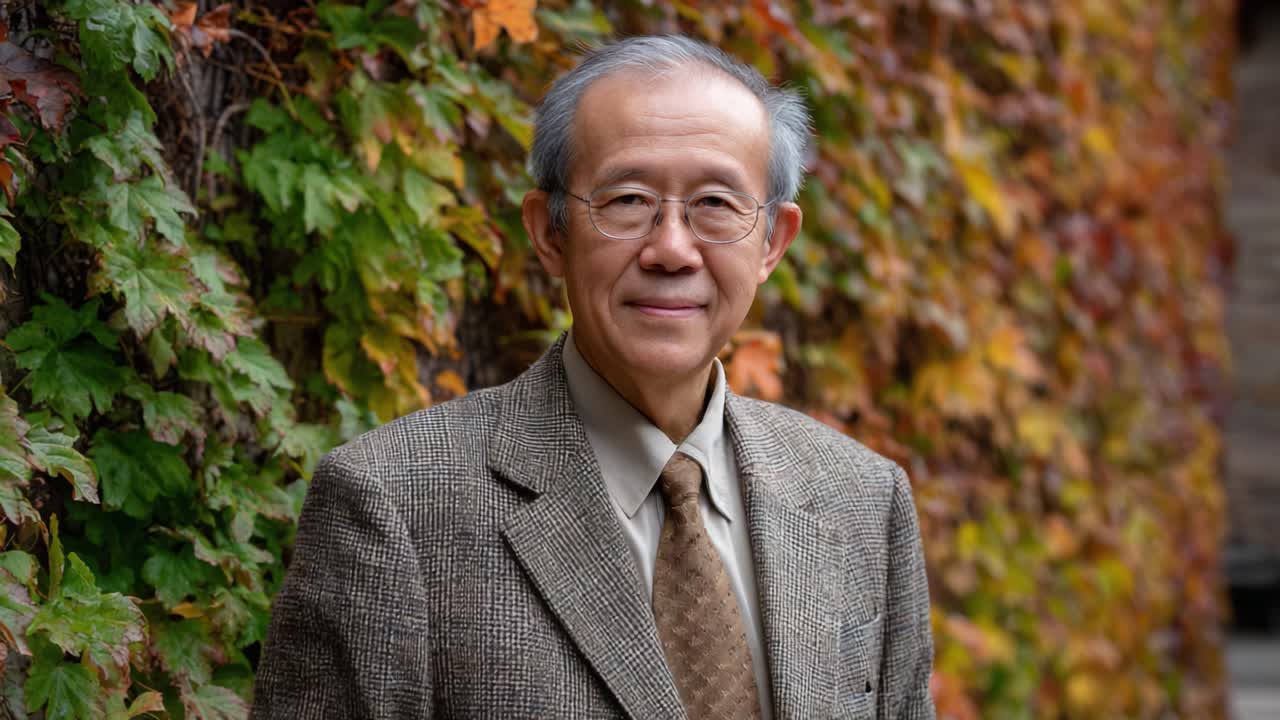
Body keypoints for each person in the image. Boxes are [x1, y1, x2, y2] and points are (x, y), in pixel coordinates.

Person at [252, 35, 935, 720]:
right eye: (628, 200)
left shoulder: (863, 502)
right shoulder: (395, 504)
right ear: (549, 233)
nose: (671, 248)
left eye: (716, 204)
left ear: (772, 243)